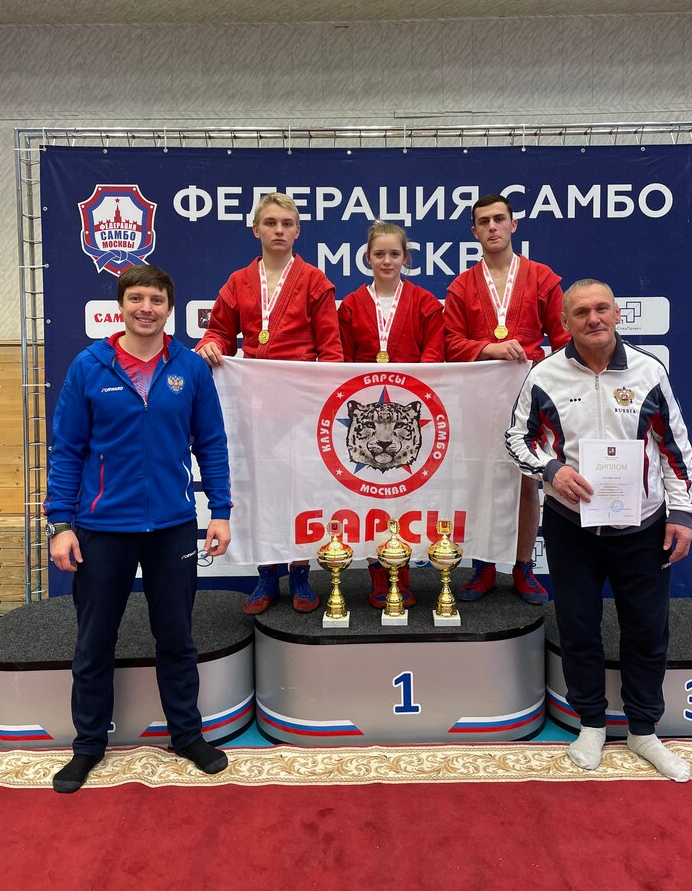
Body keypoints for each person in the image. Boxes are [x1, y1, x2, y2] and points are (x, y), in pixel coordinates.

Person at [45, 264, 233, 794]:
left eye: (156, 299)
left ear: (169, 308)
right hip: (102, 527)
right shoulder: (89, 366)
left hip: (172, 526)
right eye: (136, 298)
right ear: (121, 304)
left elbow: (211, 443)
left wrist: (220, 511)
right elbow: (67, 450)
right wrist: (60, 524)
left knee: (176, 636)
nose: (146, 308)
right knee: (94, 640)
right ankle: (88, 746)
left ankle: (187, 735)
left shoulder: (189, 369)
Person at [506, 279, 692, 782]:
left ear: (617, 314)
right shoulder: (545, 374)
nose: (593, 319)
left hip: (644, 526)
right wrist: (551, 470)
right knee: (578, 626)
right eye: (581, 312)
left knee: (647, 629)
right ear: (564, 322)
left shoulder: (649, 371)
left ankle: (643, 730)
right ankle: (590, 724)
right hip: (571, 526)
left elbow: (675, 449)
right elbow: (517, 439)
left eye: (602, 308)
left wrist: (681, 514)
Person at [196, 191, 343, 614]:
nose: (279, 230)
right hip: (255, 404)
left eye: (286, 224)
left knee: (300, 489)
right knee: (258, 487)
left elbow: (331, 351)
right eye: (271, 223)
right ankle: (266, 571)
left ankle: (300, 571)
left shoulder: (315, 280)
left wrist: (320, 401)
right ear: (255, 229)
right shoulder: (238, 282)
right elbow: (220, 332)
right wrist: (210, 344)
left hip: (300, 406)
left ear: (298, 231)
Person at [444, 193, 569, 604]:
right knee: (481, 483)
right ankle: (482, 565)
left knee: (527, 484)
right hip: (478, 399)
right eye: (484, 222)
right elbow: (449, 343)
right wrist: (488, 348)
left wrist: (559, 386)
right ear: (474, 231)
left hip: (527, 397)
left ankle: (522, 566)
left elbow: (563, 338)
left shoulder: (542, 278)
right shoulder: (462, 285)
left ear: (513, 225)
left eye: (499, 219)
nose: (493, 227)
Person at [339, 220, 445, 607]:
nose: (387, 260)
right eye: (379, 254)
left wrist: (408, 387)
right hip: (367, 416)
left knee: (405, 492)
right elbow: (341, 360)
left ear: (406, 258)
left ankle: (402, 567)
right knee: (369, 494)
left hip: (407, 416)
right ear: (367, 257)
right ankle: (376, 569)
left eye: (394, 254)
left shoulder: (425, 303)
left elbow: (434, 355)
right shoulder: (351, 305)